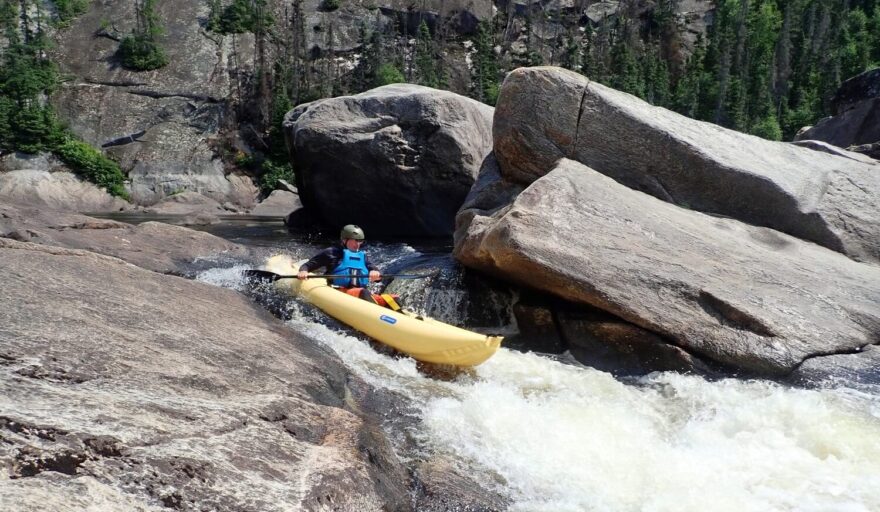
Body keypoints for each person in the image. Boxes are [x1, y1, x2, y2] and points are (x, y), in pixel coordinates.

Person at [297, 224, 400, 310]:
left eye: (360, 241)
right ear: (344, 240)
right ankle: (378, 316)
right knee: (363, 292)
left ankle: (402, 318)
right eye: (355, 240)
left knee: (393, 298)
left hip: (359, 295)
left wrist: (376, 273)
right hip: (339, 292)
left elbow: (374, 271)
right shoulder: (331, 252)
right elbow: (307, 265)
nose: (358, 244)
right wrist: (303, 271)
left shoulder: (363, 256)